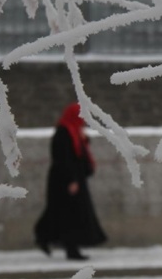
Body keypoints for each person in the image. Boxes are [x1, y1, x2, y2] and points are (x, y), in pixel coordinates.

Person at [34, 103, 107, 261]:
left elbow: (78, 155)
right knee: (70, 214)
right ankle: (70, 248)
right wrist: (71, 179)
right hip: (65, 179)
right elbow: (63, 158)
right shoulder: (64, 132)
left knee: (62, 213)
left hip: (74, 178)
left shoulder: (75, 132)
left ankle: (45, 237)